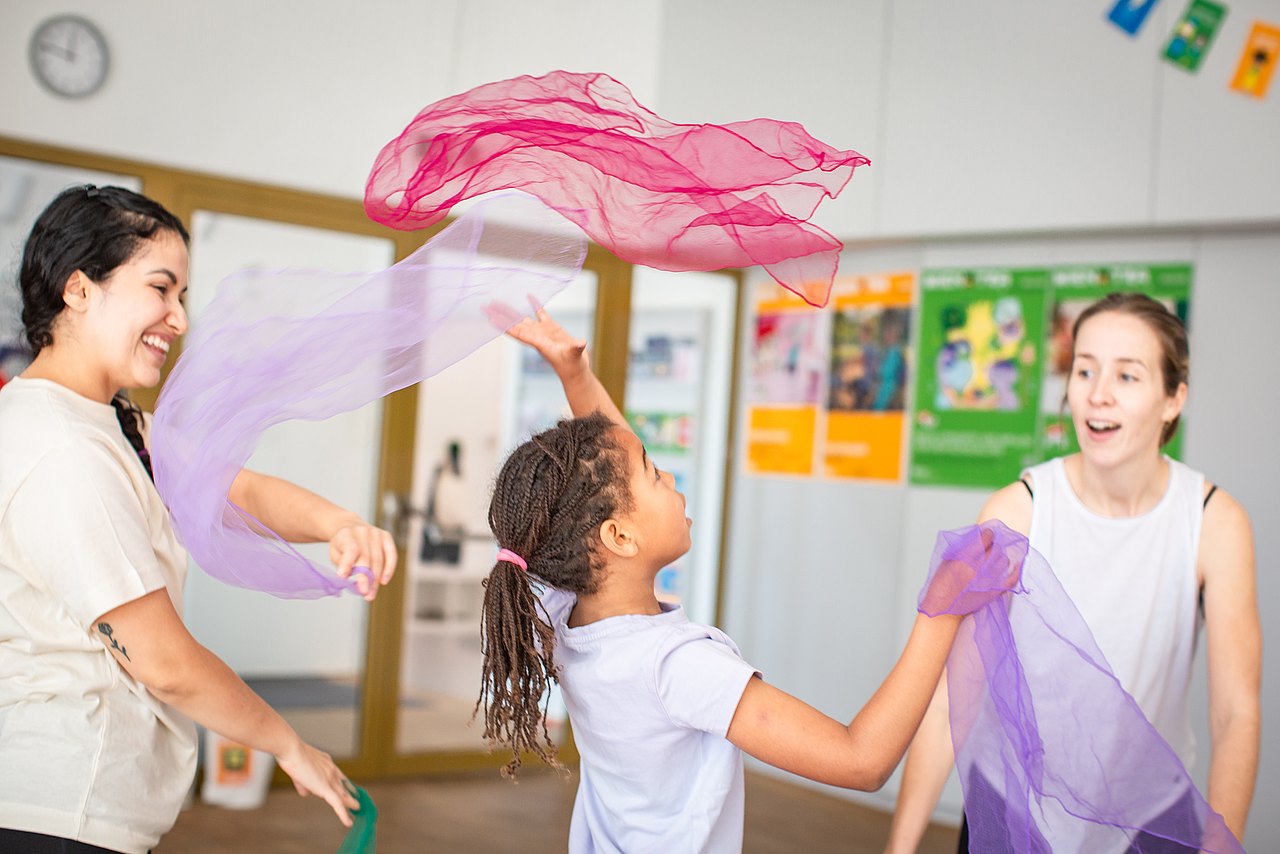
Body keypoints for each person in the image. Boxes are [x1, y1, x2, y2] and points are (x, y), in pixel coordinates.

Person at [471, 306, 1020, 853]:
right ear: (618, 538)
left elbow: (598, 487)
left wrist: (576, 377)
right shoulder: (680, 667)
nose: (673, 478)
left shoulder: (566, 613)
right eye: (657, 475)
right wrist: (942, 609)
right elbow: (861, 761)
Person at [0, 185, 397, 854]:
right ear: (78, 289)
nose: (177, 318)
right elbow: (163, 662)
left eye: (181, 295)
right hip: (57, 811)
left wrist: (338, 523)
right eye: (161, 288)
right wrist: (288, 745)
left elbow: (235, 490)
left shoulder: (108, 422)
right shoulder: (60, 447)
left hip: (82, 807)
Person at [884, 292, 1261, 852]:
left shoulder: (1214, 523)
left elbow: (1235, 713)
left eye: (1127, 376)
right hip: (1016, 805)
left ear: (1173, 399)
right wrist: (899, 848)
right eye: (1084, 369)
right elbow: (947, 703)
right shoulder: (1017, 512)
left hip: (1146, 815)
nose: (1097, 393)